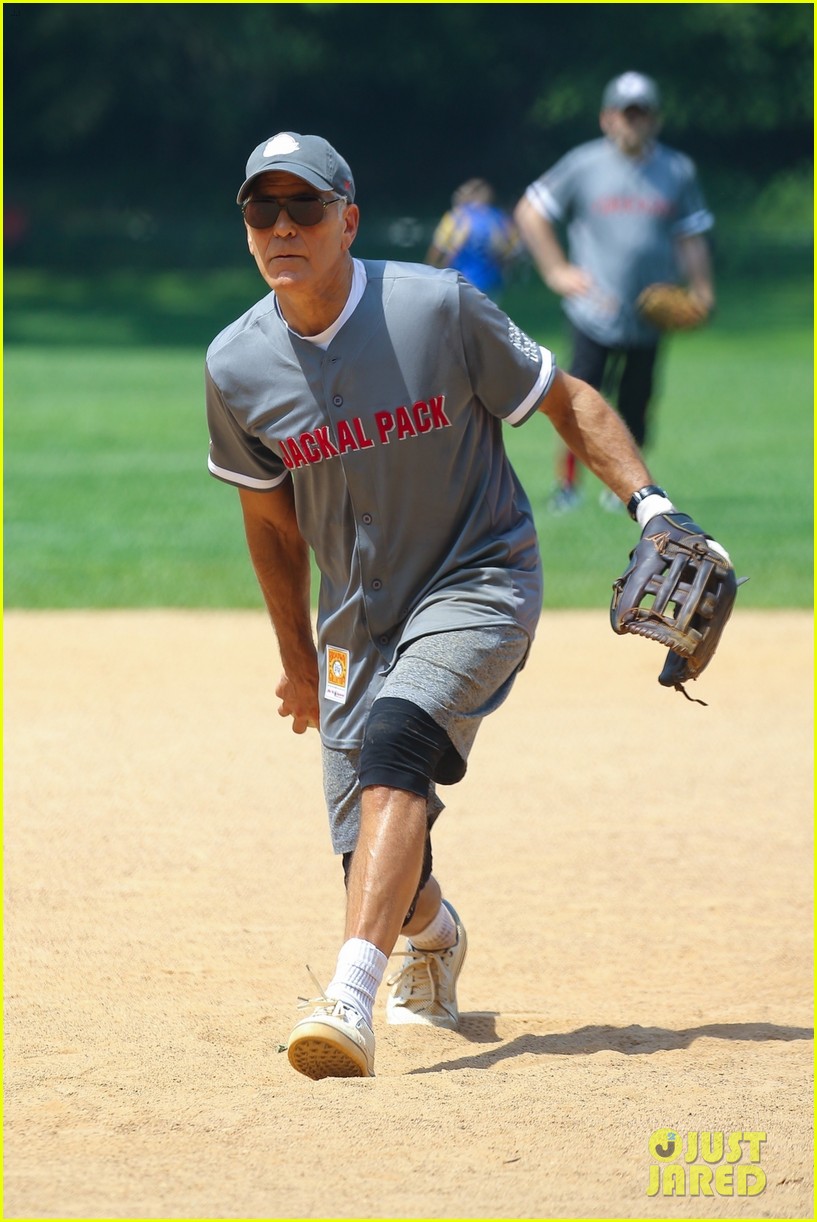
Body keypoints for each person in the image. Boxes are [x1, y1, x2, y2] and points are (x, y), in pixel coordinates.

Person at [205, 130, 680, 1081]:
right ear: (248, 228)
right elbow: (268, 526)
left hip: (482, 575)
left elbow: (563, 397)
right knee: (374, 855)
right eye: (265, 209)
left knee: (397, 744)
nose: (283, 226)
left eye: (305, 207)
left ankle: (348, 997)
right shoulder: (235, 365)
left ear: (349, 217)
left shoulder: (436, 306)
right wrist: (299, 660)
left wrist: (654, 509)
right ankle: (434, 935)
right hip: (355, 619)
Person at [514, 71, 715, 514]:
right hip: (593, 309)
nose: (633, 123)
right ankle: (568, 486)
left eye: (642, 114)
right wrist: (557, 271)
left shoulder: (676, 171)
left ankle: (623, 488)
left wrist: (701, 290)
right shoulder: (585, 164)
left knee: (637, 403)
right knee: (578, 398)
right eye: (626, 114)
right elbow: (531, 210)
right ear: (608, 118)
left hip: (648, 313)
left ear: (655, 120)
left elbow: (691, 236)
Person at [425, 177, 522, 300]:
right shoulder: (499, 218)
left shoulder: (456, 217)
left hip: (459, 281)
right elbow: (513, 252)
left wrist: (430, 272)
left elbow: (438, 248)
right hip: (492, 283)